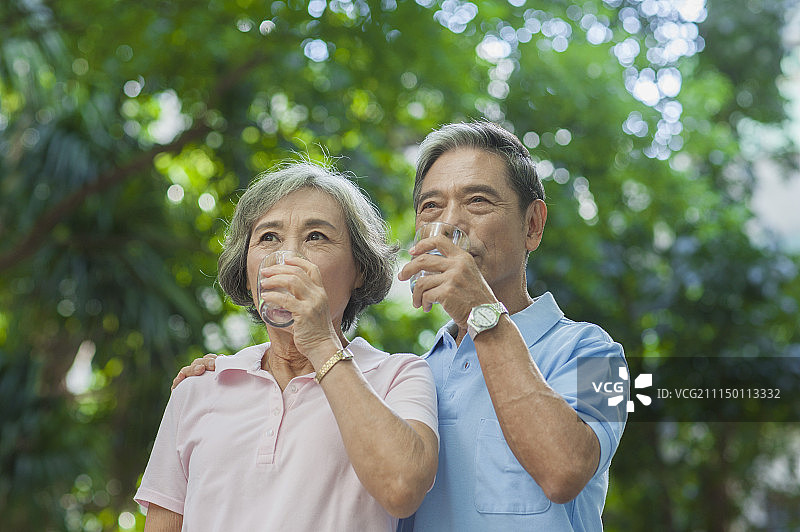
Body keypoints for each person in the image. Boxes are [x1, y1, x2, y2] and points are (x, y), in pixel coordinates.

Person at [174, 121, 627, 531]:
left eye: (477, 201)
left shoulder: (603, 357)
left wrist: (482, 314)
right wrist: (236, 372)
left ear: (532, 225)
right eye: (431, 206)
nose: (450, 222)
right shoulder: (408, 374)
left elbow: (565, 470)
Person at [136, 160, 439, 531]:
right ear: (247, 271)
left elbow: (402, 489)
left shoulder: (399, 375)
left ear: (360, 269)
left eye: (316, 237)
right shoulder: (200, 386)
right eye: (268, 237)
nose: (290, 257)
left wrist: (321, 342)